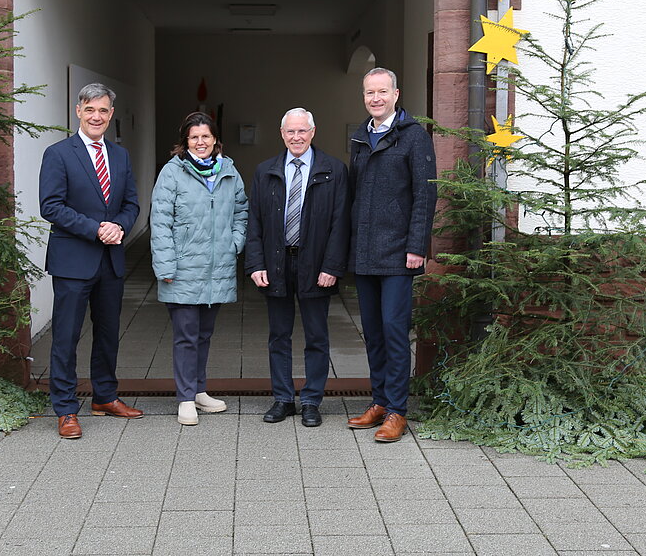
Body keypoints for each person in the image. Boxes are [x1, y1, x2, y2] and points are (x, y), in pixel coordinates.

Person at [39, 82, 142, 439]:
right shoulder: (59, 153)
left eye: (103, 110)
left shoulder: (120, 156)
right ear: (78, 111)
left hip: (110, 259)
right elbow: (50, 206)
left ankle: (105, 396)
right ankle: (66, 408)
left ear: (111, 115)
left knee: (109, 333)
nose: (97, 116)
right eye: (90, 110)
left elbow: (131, 204)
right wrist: (96, 229)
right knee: (66, 336)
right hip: (73, 260)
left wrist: (120, 227)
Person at [347, 68, 437, 442]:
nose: (376, 98)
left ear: (396, 94)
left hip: (400, 255)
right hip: (366, 253)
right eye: (370, 93)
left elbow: (425, 195)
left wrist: (417, 246)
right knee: (373, 333)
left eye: (382, 92)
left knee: (395, 332)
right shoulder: (359, 137)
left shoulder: (414, 137)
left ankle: (398, 411)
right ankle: (380, 402)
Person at [246, 108, 349, 428]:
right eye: (290, 132)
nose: (297, 137)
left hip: (316, 264)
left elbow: (340, 223)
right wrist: (255, 263)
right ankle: (282, 398)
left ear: (313, 132)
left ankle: (311, 401)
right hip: (276, 262)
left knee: (317, 336)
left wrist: (332, 265)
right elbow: (255, 222)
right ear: (282, 134)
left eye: (302, 131)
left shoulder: (334, 170)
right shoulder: (266, 171)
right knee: (279, 335)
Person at [150, 112, 247, 426]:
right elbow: (160, 221)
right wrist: (164, 263)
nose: (201, 142)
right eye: (195, 137)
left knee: (204, 334)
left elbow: (242, 210)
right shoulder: (172, 173)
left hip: (216, 268)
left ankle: (200, 390)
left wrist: (234, 243)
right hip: (182, 269)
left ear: (215, 139)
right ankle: (185, 398)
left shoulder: (229, 171)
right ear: (185, 141)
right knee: (186, 336)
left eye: (206, 136)